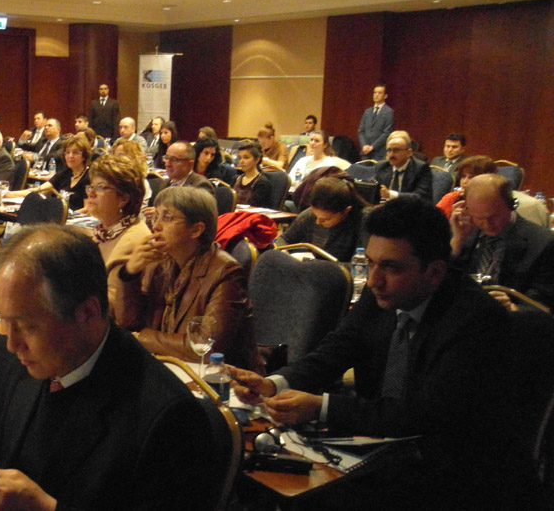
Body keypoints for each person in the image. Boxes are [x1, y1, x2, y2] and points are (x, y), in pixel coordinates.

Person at [230, 196, 539, 509]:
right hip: (385, 449)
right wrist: (275, 383)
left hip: (458, 474)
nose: (374, 280)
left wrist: (321, 407)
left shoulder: (477, 320)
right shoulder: (383, 292)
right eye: (371, 263)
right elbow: (337, 349)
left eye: (391, 267)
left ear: (434, 271)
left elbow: (424, 416)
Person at [0, 224, 221, 511]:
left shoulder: (170, 418)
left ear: (87, 312)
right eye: (6, 322)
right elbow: (6, 443)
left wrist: (47, 509)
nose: (11, 344)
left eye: (27, 326)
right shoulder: (39, 361)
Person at [116, 186, 262, 371]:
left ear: (196, 230)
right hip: (169, 365)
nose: (156, 226)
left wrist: (142, 338)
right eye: (156, 216)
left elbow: (205, 347)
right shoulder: (158, 262)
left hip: (220, 377)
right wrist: (130, 274)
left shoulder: (226, 272)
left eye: (167, 218)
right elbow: (129, 323)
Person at [449, 174, 554, 311]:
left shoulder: (542, 242)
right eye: (479, 218)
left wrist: (513, 308)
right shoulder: (463, 232)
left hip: (509, 319)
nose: (487, 225)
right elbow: (439, 282)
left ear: (512, 205)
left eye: (493, 217)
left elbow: (544, 303)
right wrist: (457, 241)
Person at [86, 154, 151, 320]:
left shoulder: (132, 241)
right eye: (91, 186)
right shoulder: (105, 232)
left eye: (101, 187)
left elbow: (115, 311)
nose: (91, 193)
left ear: (123, 199)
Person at [435, 156, 549, 227]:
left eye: (471, 177)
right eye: (463, 177)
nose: (465, 182)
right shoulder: (451, 198)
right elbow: (432, 224)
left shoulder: (499, 204)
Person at [277, 177, 370, 262]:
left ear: (346, 211)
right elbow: (283, 239)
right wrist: (283, 253)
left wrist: (309, 262)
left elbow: (361, 266)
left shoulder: (364, 221)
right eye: (315, 215)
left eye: (326, 219)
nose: (318, 222)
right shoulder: (310, 214)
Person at [6, 135, 91, 211]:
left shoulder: (89, 177)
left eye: (75, 152)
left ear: (84, 156)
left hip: (78, 220)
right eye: (67, 152)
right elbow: (38, 190)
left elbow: (87, 209)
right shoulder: (65, 173)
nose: (70, 156)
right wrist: (9, 194)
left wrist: (66, 216)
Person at [374, 131, 433, 202]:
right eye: (389, 150)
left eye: (396, 150)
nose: (391, 155)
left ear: (409, 152)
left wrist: (391, 194)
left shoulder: (421, 168)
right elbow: (373, 189)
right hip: (385, 207)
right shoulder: (382, 166)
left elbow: (421, 197)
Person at [110, 139, 153, 208]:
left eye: (121, 155)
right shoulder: (109, 179)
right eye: (114, 156)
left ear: (134, 158)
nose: (116, 159)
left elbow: (137, 211)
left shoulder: (141, 184)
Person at [357, 84, 394, 159]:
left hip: (379, 153)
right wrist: (364, 145)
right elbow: (361, 131)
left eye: (379, 93)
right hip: (365, 152)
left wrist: (373, 146)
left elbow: (387, 132)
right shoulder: (367, 111)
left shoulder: (389, 112)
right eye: (375, 92)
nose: (376, 95)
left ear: (385, 96)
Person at [233, 141, 273, 208]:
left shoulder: (262, 183)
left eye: (246, 158)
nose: (241, 161)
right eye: (240, 158)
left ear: (257, 160)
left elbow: (256, 207)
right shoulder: (236, 179)